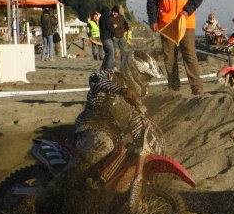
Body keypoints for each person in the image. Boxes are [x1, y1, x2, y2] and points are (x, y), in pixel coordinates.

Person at [69, 50, 164, 185]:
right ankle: (56, 188)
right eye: (147, 78)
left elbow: (137, 131)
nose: (148, 83)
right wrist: (123, 91)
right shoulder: (109, 76)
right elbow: (94, 81)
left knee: (127, 161)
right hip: (91, 128)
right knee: (102, 144)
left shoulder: (136, 103)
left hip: (114, 141)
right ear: (134, 71)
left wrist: (149, 139)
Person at [147, 0, 205, 95]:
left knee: (189, 55)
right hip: (166, 24)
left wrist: (187, 10)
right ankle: (174, 88)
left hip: (186, 22)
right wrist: (153, 20)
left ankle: (197, 87)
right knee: (169, 57)